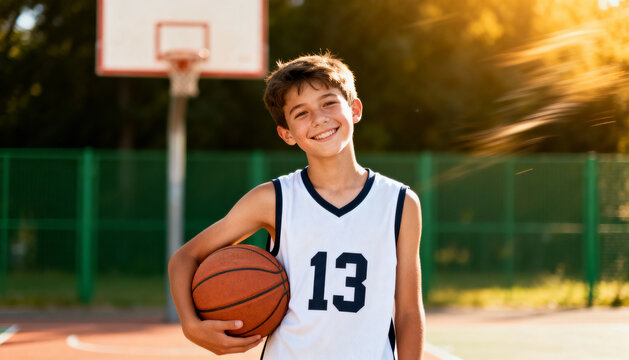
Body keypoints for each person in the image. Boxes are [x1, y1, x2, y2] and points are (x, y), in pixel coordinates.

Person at [168, 52, 425, 359]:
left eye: (329, 102)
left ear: (354, 109)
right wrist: (190, 325)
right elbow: (185, 258)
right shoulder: (274, 200)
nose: (319, 118)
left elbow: (409, 310)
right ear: (287, 133)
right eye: (301, 113)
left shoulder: (400, 203)